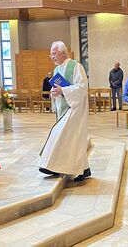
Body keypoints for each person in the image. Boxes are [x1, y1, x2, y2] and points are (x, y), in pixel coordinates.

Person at [38, 41, 91, 182]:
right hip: (63, 108)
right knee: (70, 139)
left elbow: (82, 87)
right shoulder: (56, 70)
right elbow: (57, 89)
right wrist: (55, 93)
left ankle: (52, 165)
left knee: (63, 136)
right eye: (51, 55)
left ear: (62, 52)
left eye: (54, 54)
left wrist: (63, 90)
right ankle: (83, 168)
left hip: (74, 108)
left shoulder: (76, 66)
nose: (52, 57)